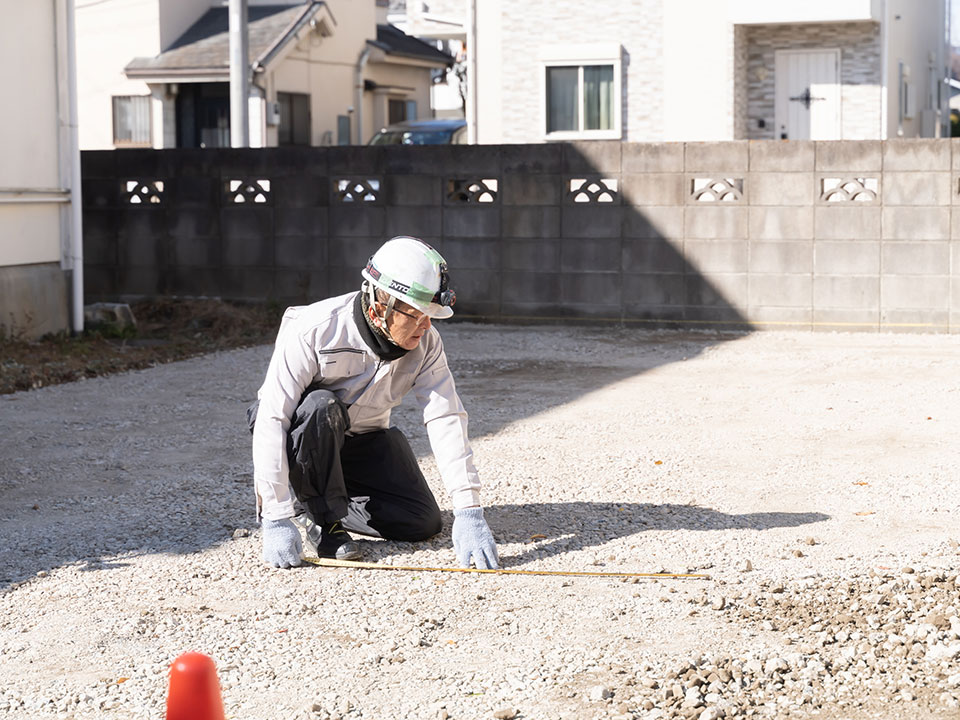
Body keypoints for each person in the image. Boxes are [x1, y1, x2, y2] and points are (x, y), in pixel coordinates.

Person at [248, 235, 499, 571]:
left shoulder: (427, 344)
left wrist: (469, 510)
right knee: (321, 406)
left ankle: (323, 499)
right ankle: (325, 520)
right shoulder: (316, 329)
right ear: (381, 305)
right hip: (304, 436)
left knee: (421, 523)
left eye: (432, 316)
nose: (425, 326)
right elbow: (272, 417)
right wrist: (276, 518)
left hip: (362, 439)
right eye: (416, 315)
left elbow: (446, 417)